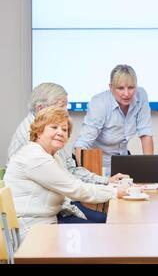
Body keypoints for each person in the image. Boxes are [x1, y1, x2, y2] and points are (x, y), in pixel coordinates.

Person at [7, 82, 126, 224]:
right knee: (108, 226)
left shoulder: (51, 151)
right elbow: (74, 187)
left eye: (64, 130)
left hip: (53, 212)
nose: (60, 132)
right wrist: (114, 191)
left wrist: (109, 185)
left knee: (110, 222)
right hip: (36, 226)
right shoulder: (35, 154)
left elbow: (71, 175)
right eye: (54, 127)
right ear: (39, 130)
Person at [74, 65, 154, 176]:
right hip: (98, 167)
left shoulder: (141, 96)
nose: (127, 94)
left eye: (131, 87)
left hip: (124, 164)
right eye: (120, 88)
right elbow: (82, 144)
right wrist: (85, 176)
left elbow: (145, 133)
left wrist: (150, 170)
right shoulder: (99, 103)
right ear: (111, 87)